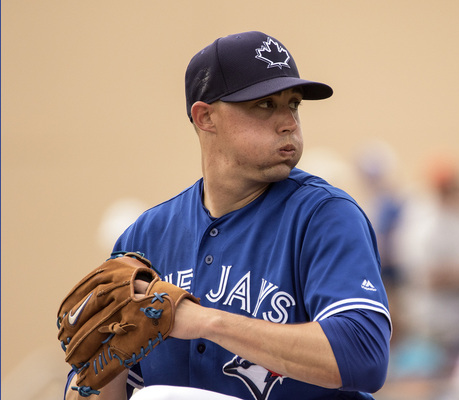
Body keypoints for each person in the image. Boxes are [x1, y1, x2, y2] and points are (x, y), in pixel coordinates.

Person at [64, 31, 391, 400]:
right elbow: (91, 389)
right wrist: (100, 370)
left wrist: (205, 321)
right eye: (266, 105)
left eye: (294, 104)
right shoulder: (145, 237)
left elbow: (363, 356)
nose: (289, 122)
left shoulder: (324, 215)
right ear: (205, 117)